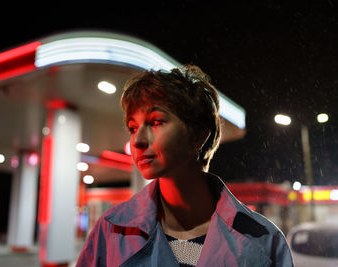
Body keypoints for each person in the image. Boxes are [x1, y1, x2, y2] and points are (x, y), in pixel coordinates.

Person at [76, 64, 293, 266]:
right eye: (133, 128)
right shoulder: (111, 230)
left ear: (198, 136)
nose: (137, 140)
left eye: (156, 122)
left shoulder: (264, 240)